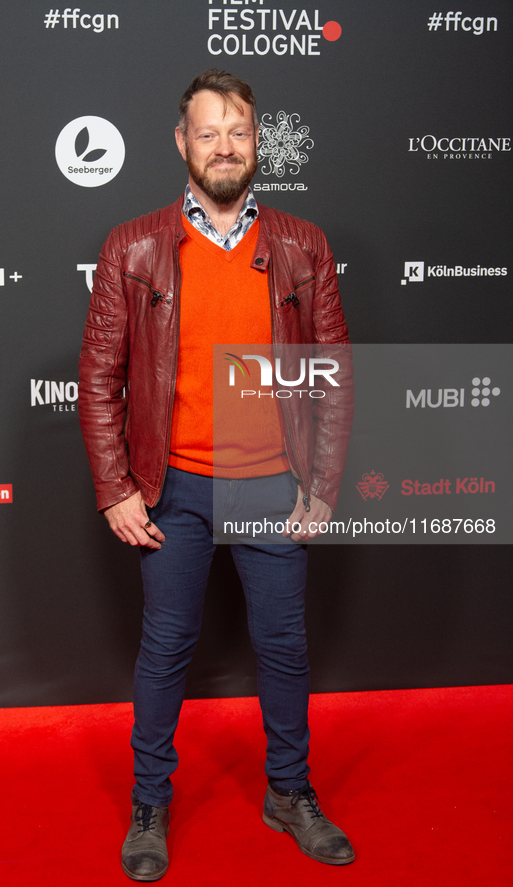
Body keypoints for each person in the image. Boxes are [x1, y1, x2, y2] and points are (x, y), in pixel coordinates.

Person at [79, 69, 354, 881]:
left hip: (275, 481)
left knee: (284, 649)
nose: (224, 147)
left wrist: (324, 484)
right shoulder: (132, 244)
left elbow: (331, 371)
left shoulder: (303, 244)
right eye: (208, 132)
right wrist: (116, 486)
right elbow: (100, 379)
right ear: (181, 143)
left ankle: (288, 792)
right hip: (175, 488)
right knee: (165, 648)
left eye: (237, 131)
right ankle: (150, 803)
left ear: (257, 140)